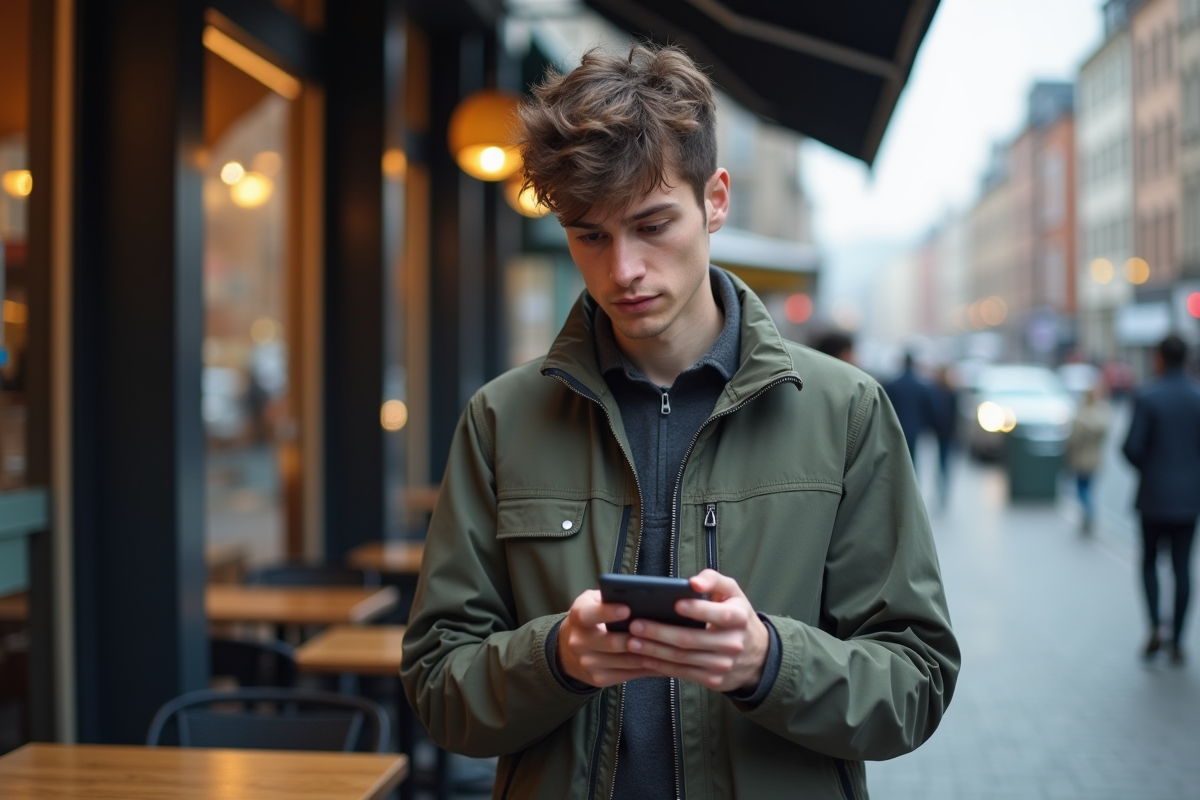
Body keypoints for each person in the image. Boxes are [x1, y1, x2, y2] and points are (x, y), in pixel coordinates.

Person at [400, 44, 959, 799]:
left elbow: (916, 682)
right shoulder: (501, 419)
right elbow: (437, 690)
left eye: (651, 224)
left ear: (716, 200)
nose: (622, 269)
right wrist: (556, 658)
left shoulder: (845, 410)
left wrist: (768, 662)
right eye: (589, 235)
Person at [1123, 333, 1200, 665]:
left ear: (1158, 357)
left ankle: (1155, 625)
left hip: (1153, 497)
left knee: (1149, 562)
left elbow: (1131, 448)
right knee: (1182, 566)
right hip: (1189, 499)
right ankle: (1179, 639)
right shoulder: (1198, 397)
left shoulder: (1147, 395)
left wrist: (1152, 469)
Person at [1065, 385, 1111, 534]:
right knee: (1089, 488)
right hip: (1095, 458)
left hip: (1080, 458)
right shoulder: (1101, 413)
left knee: (1081, 488)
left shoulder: (1080, 413)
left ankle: (1088, 510)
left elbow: (1073, 438)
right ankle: (1089, 511)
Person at [883, 352, 938, 466]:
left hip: (896, 427)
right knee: (911, 461)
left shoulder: (893, 384)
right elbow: (928, 408)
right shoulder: (920, 386)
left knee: (897, 460)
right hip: (914, 429)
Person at [930, 365, 959, 509]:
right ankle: (942, 487)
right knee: (943, 460)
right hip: (943, 432)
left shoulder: (948, 392)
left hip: (946, 432)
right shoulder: (939, 391)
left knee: (943, 460)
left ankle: (943, 487)